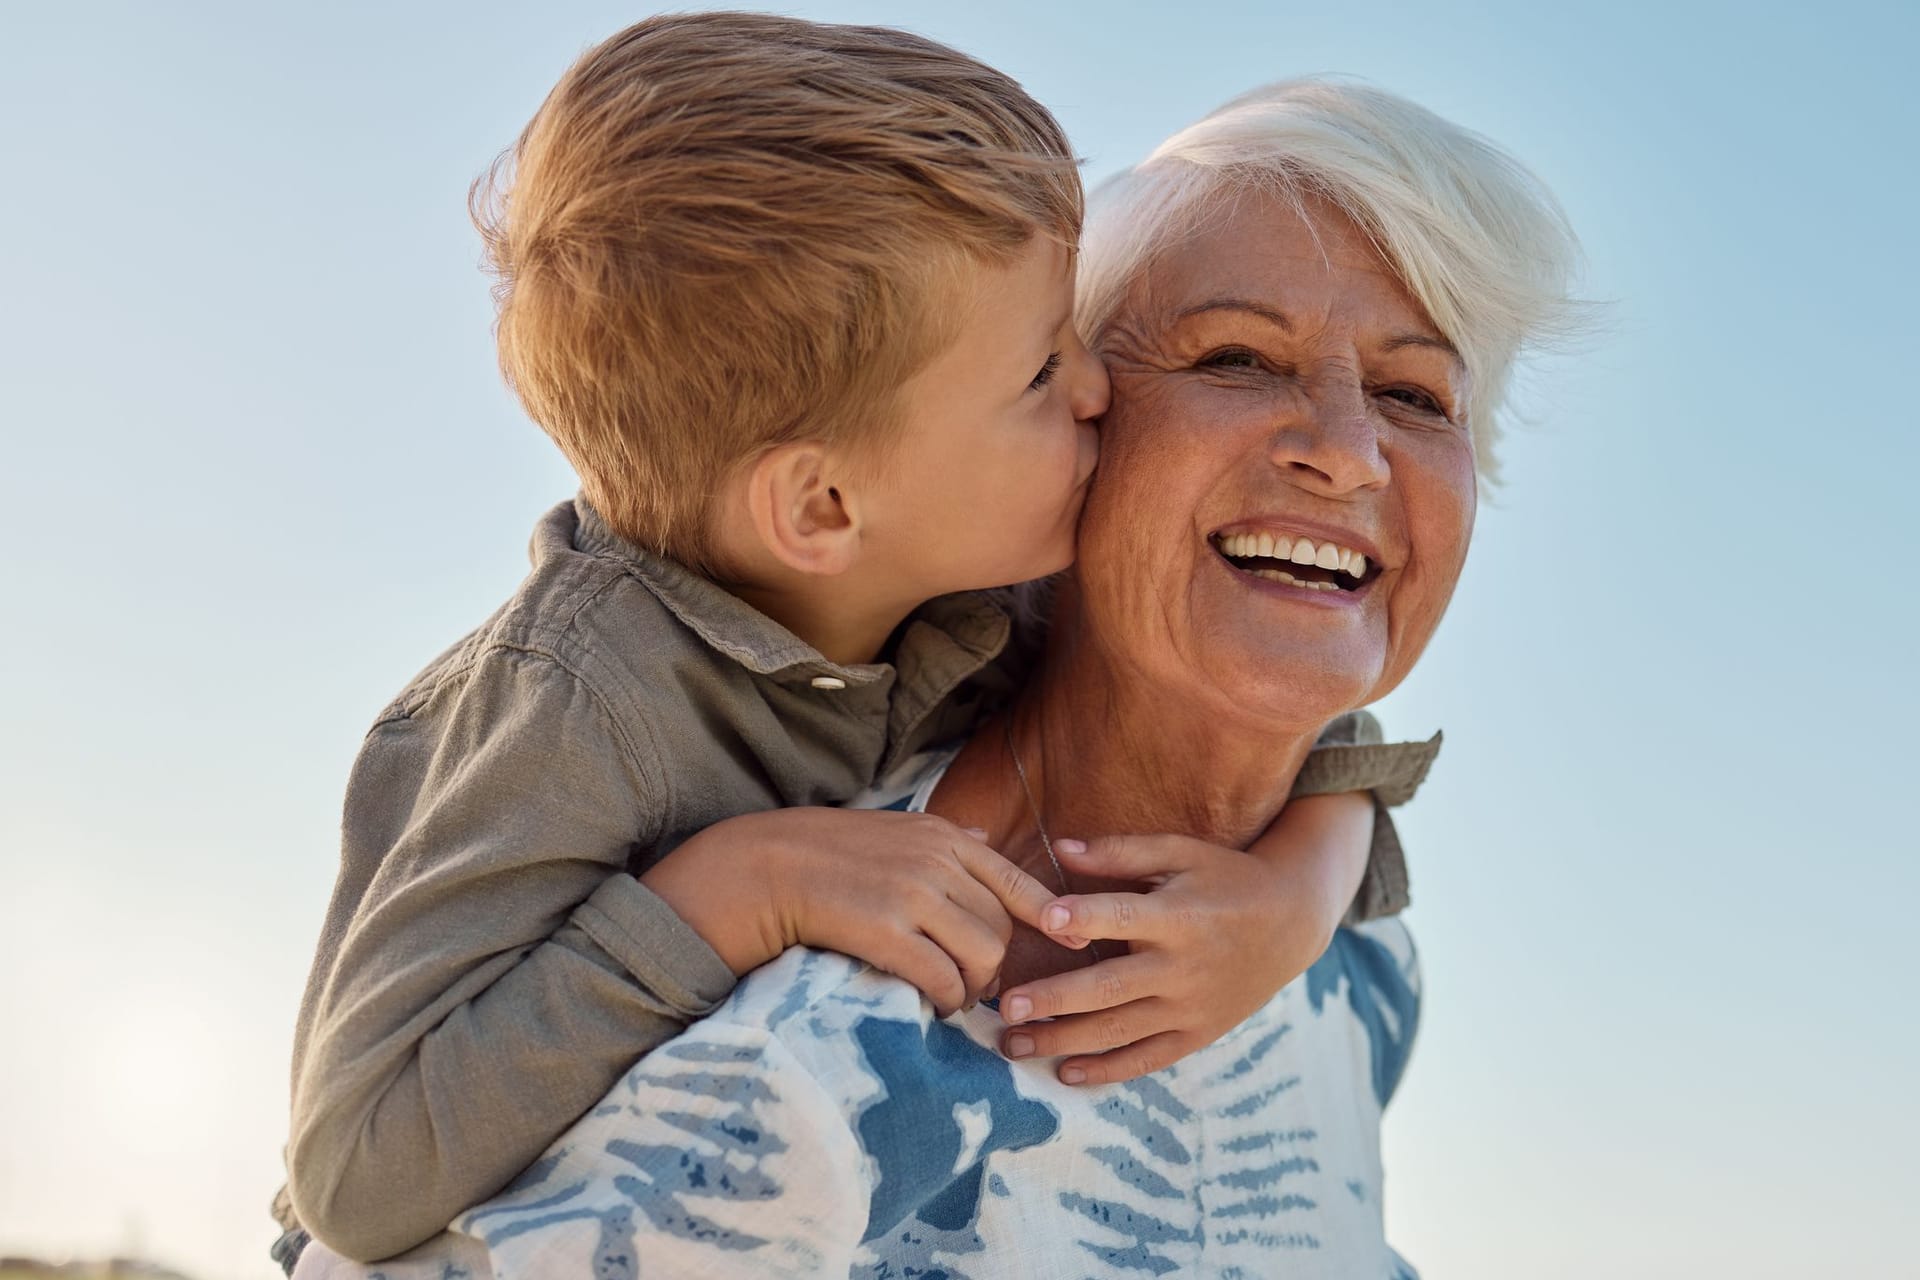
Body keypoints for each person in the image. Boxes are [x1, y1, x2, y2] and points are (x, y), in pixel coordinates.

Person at [290, 76, 1582, 1279]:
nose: (1352, 455)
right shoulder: (780, 988)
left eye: (1420, 396)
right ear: (1090, 447)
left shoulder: (1362, 981)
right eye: (1236, 359)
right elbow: (355, 1178)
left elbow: (1310, 701)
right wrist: (742, 891)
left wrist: (1305, 892)